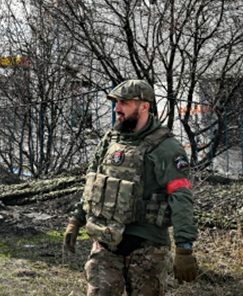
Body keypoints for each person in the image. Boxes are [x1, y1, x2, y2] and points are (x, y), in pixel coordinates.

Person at [64, 80, 199, 295]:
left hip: (147, 248)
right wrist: (76, 220)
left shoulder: (166, 147)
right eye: (116, 102)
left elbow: (180, 196)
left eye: (124, 103)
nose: (117, 108)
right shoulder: (109, 141)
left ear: (144, 106)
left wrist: (184, 247)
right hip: (106, 241)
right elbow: (93, 186)